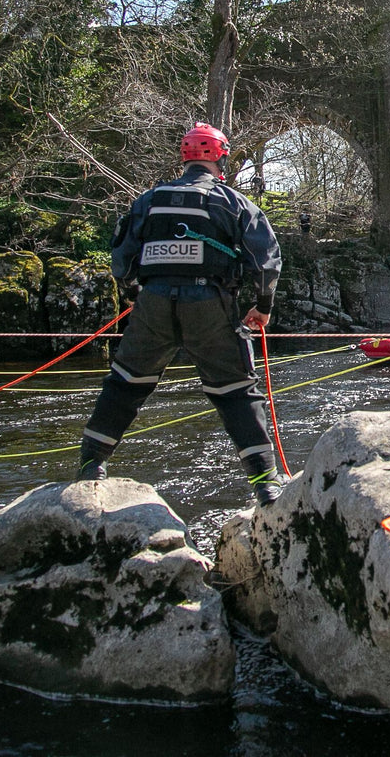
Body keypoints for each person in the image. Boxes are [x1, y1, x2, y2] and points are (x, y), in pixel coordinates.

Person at [75, 122, 287, 506]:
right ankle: (265, 483)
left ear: (184, 157)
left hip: (153, 301)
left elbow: (121, 256)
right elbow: (267, 260)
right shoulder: (233, 202)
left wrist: (133, 294)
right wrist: (262, 306)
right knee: (236, 391)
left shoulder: (149, 199)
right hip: (209, 304)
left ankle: (91, 465)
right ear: (222, 158)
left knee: (126, 382)